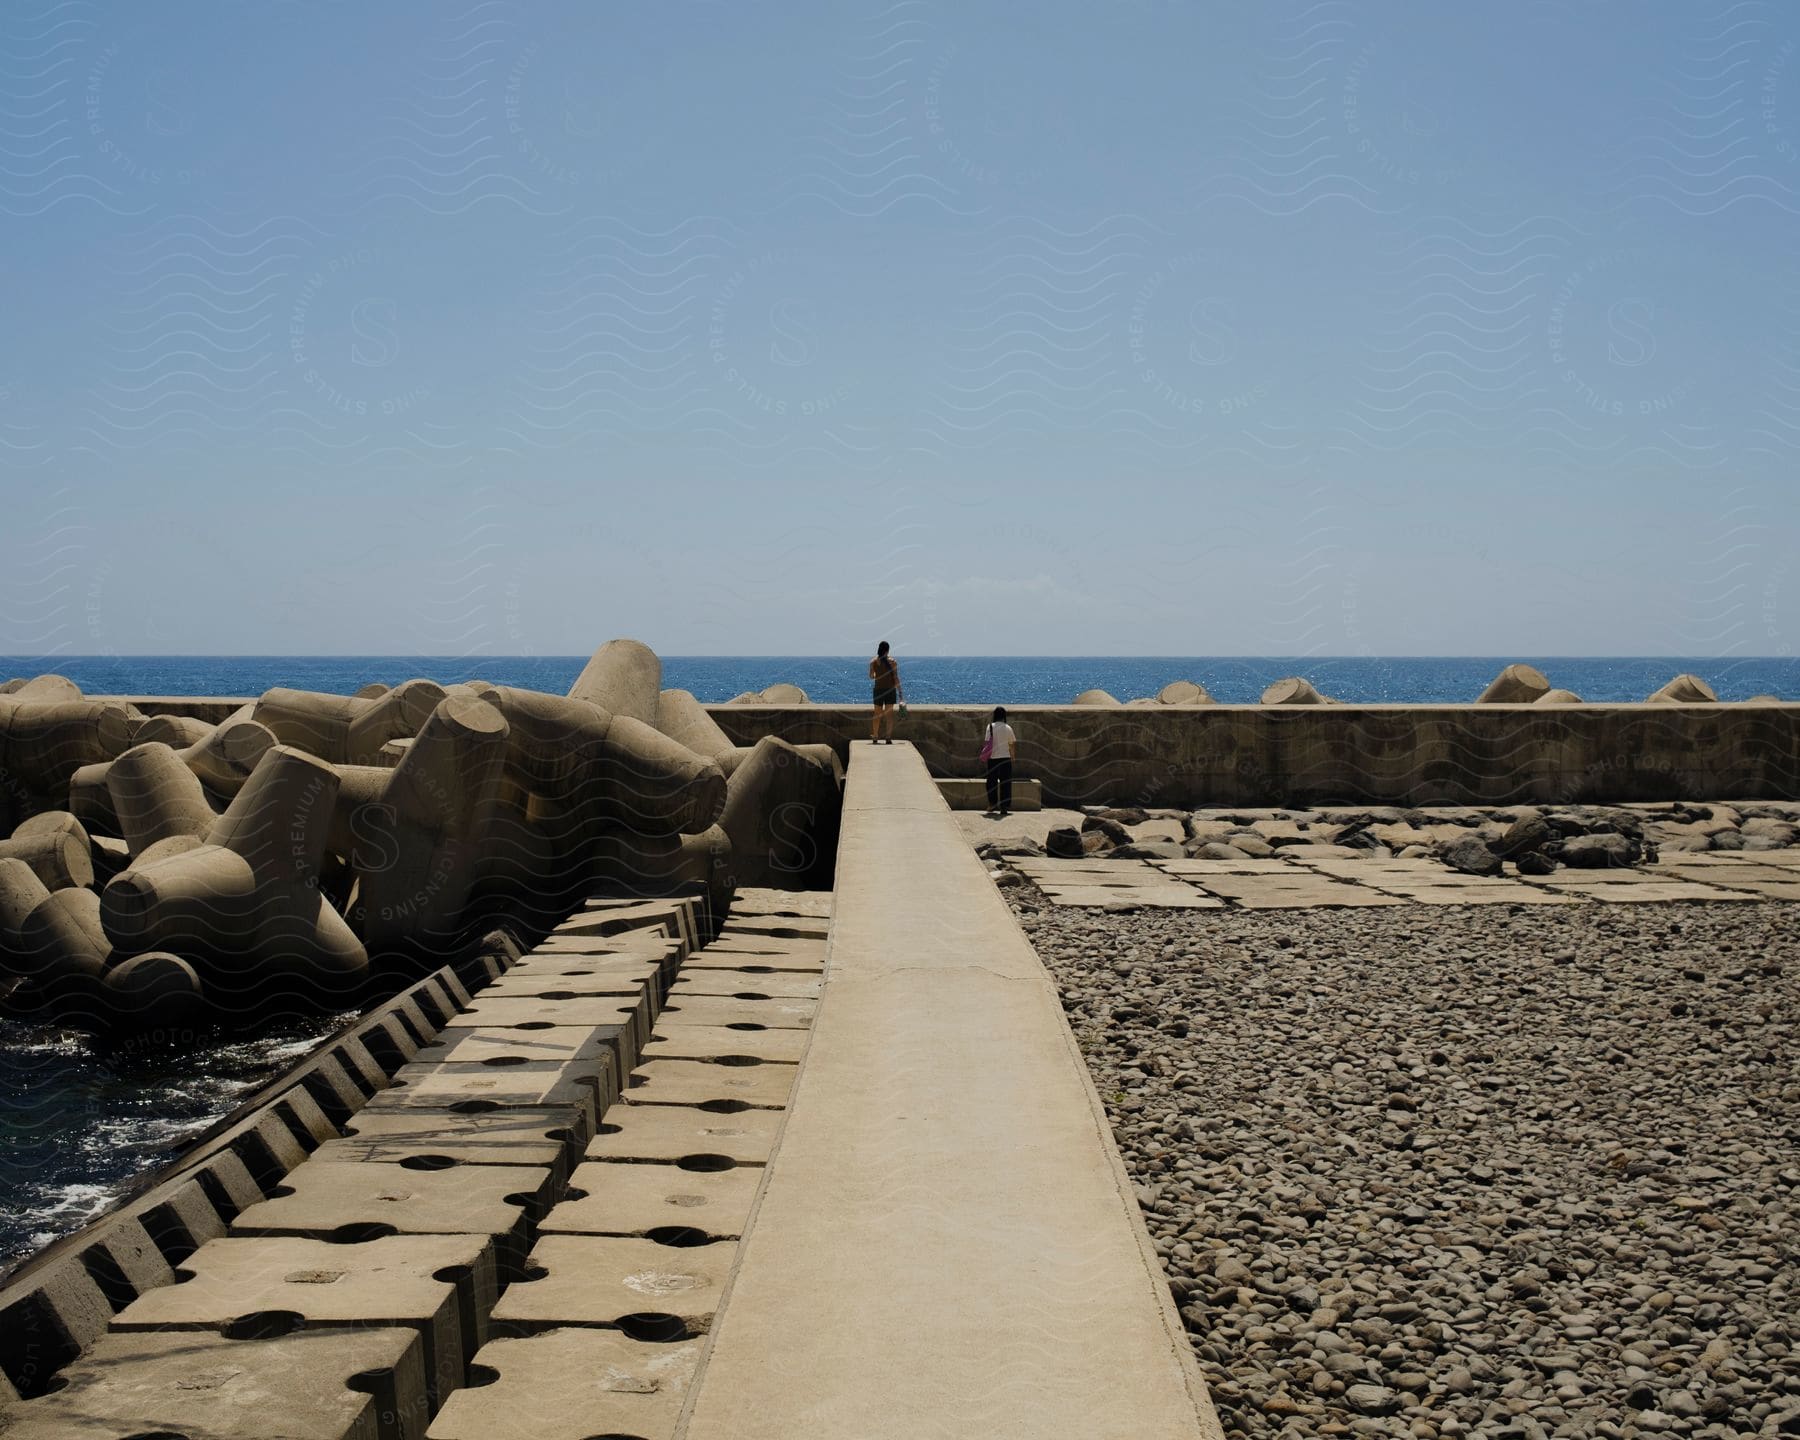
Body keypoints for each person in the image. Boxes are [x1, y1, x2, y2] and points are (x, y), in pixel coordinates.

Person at [982, 705, 1017, 815]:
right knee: (1005, 783)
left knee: (991, 782)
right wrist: (1013, 757)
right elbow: (1011, 744)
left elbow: (987, 742)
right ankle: (1004, 806)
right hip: (1005, 759)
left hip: (993, 758)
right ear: (1004, 716)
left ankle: (992, 803)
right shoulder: (1008, 728)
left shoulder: (990, 727)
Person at [869, 641, 902, 743]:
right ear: (888, 650)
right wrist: (900, 692)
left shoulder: (873, 662)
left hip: (878, 690)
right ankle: (888, 737)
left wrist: (878, 675)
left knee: (877, 714)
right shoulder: (893, 662)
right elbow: (896, 678)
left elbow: (871, 676)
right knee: (889, 715)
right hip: (890, 691)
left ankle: (875, 736)